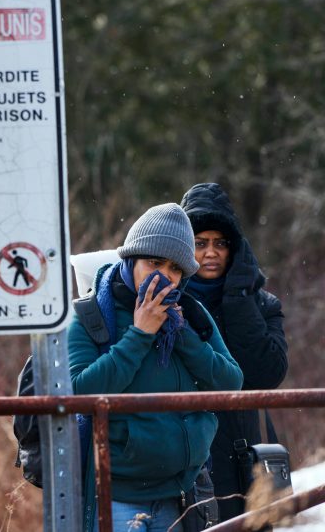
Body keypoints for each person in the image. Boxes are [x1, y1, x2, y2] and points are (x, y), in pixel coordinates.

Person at [68, 203, 244, 532]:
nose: (164, 275)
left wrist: (184, 336)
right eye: (154, 262)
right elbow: (80, 391)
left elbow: (230, 383)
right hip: (117, 495)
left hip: (184, 492)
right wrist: (140, 334)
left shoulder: (191, 314)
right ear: (131, 260)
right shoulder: (90, 316)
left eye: (175, 268)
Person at [181, 183, 288, 522]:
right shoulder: (162, 304)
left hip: (245, 457)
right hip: (182, 459)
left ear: (235, 249)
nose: (211, 252)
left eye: (221, 243)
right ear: (184, 247)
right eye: (199, 243)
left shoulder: (261, 304)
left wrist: (238, 297)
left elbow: (266, 374)